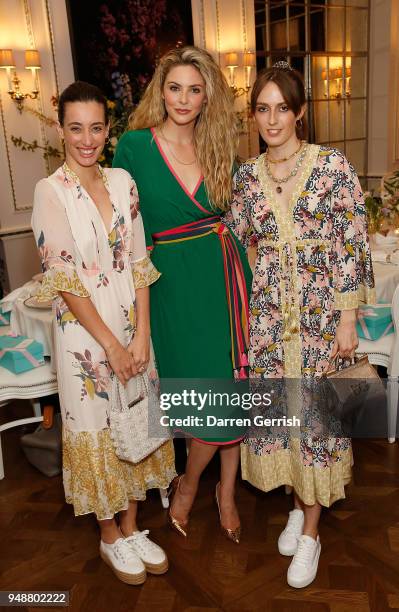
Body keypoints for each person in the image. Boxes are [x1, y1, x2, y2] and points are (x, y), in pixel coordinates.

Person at [224, 62, 375, 587]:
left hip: (319, 323)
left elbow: (351, 243)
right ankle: (297, 504)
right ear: (254, 116)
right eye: (262, 109)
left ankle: (311, 532)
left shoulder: (331, 167)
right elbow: (239, 246)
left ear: (300, 112)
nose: (272, 120)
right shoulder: (247, 176)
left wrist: (347, 316)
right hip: (269, 323)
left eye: (282, 108)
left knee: (316, 424)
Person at [31, 81, 176, 585]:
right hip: (85, 343)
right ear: (60, 130)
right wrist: (111, 346)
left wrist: (140, 337)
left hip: (133, 331)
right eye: (76, 128)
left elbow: (139, 262)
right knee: (99, 428)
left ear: (107, 130)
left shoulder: (122, 182)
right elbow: (66, 280)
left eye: (96, 128)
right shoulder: (50, 192)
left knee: (136, 424)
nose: (87, 139)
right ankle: (109, 534)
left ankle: (134, 526)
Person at [113, 46, 252, 543]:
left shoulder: (219, 148)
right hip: (167, 284)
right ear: (161, 90)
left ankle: (218, 491)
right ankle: (195, 483)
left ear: (207, 95)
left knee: (229, 386)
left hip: (223, 277)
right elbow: (124, 232)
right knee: (200, 392)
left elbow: (239, 221)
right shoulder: (132, 147)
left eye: (195, 89)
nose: (184, 99)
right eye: (175, 88)